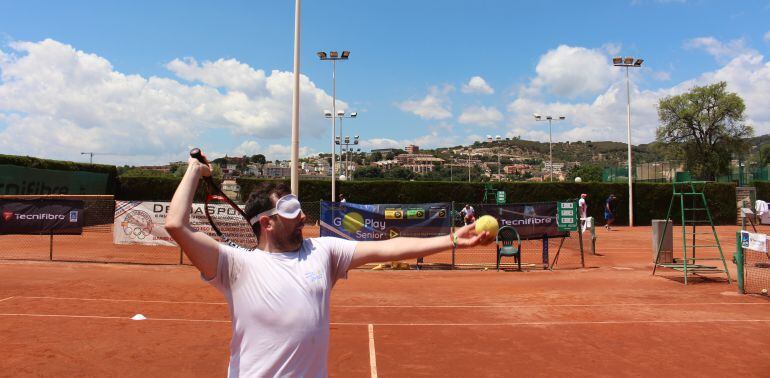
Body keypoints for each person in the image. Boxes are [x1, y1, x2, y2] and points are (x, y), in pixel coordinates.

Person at [164, 155, 490, 377]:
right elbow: (176, 225)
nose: (303, 216)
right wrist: (195, 170)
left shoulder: (323, 252)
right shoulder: (235, 265)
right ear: (266, 223)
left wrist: (452, 240)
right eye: (291, 210)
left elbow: (386, 249)